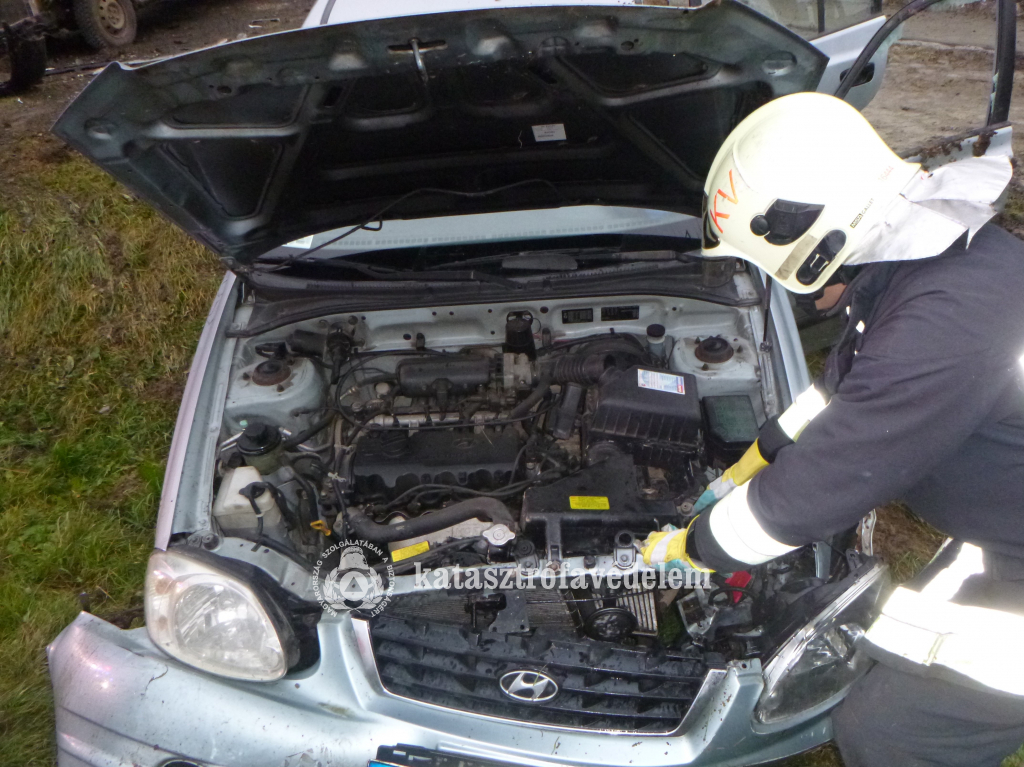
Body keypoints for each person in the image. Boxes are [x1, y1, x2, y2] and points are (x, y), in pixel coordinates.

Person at [659, 92, 1024, 766]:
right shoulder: (918, 267)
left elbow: (820, 489)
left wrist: (696, 544)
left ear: (820, 246)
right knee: (891, 640)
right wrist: (753, 460)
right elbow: (842, 394)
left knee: (890, 730)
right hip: (1003, 533)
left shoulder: (945, 323)